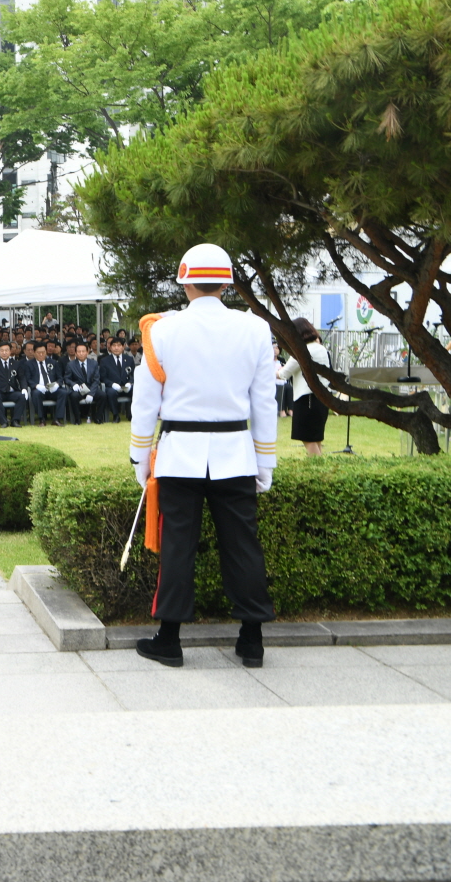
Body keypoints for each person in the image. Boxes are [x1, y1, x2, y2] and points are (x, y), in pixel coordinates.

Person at [131, 243, 277, 670]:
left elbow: (146, 401)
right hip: (236, 454)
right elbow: (265, 402)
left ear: (185, 280)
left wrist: (139, 457)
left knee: (178, 546)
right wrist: (264, 462)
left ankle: (169, 640)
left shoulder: (161, 330)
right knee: (243, 546)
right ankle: (252, 640)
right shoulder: (255, 329)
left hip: (180, 455)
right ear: (227, 284)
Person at [278, 317, 330, 456]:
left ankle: (317, 471)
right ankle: (320, 470)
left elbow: (284, 373)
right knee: (316, 438)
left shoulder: (301, 350)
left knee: (308, 438)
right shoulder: (321, 349)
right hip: (322, 399)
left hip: (306, 400)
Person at [64, 342, 104, 425]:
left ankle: (98, 418)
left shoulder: (94, 363)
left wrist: (91, 393)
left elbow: (96, 380)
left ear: (87, 352)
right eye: (79, 351)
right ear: (75, 353)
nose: (81, 353)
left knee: (102, 395)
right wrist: (73, 384)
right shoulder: (70, 365)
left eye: (83, 351)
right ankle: (77, 419)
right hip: (79, 388)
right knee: (73, 396)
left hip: (91, 387)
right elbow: (66, 378)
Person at [27, 344, 67, 426]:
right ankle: (42, 419)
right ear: (34, 353)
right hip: (39, 389)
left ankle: (57, 419)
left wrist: (57, 384)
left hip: (52, 389)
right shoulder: (28, 364)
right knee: (35, 394)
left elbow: (60, 377)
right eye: (38, 352)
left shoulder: (53, 362)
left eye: (43, 352)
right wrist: (37, 386)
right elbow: (27, 379)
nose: (41, 354)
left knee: (63, 392)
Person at [0, 342, 26, 427]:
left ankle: (15, 420)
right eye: (2, 350)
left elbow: (21, 378)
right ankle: (3, 421)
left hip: (12, 391)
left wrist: (24, 388)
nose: (4, 352)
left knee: (22, 396)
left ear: (10, 351)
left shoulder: (16, 363)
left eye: (6, 350)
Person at [100, 338, 135, 423]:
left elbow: (133, 374)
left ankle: (132, 415)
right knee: (111, 393)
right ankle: (116, 415)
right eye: (114, 346)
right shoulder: (104, 361)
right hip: (112, 386)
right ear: (110, 347)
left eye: (119, 345)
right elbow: (102, 377)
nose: (116, 348)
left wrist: (130, 383)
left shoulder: (129, 359)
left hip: (126, 386)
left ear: (123, 347)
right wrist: (112, 384)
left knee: (136, 390)